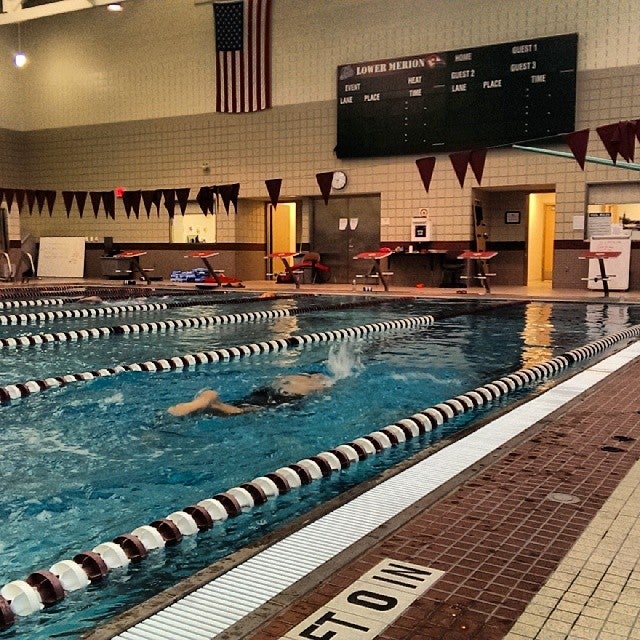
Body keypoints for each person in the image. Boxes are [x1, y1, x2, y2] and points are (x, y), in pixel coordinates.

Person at [167, 373, 333, 417]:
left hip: (266, 390)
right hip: (285, 396)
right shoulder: (316, 381)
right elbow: (323, 390)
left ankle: (206, 400)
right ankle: (216, 404)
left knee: (243, 403)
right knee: (248, 410)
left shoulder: (291, 377)